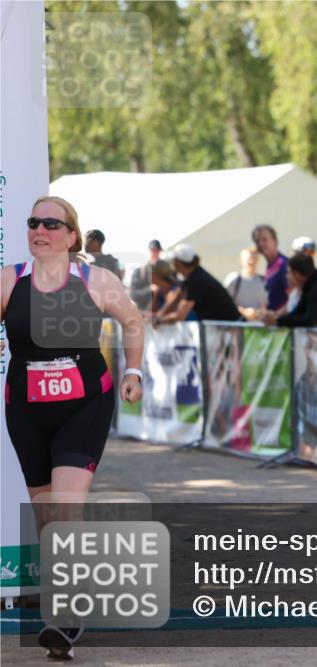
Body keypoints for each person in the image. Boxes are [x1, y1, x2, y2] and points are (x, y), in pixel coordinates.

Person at [0, 196, 144, 659]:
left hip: (84, 406)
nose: (39, 230)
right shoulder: (8, 282)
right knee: (46, 520)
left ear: (71, 235)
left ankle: (66, 613)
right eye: (33, 223)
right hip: (27, 410)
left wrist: (133, 372)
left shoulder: (95, 280)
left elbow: (133, 321)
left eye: (50, 223)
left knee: (66, 505)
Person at [156, 244, 241, 324]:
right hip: (225, 329)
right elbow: (176, 297)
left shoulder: (196, 280)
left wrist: (159, 321)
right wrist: (159, 315)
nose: (172, 264)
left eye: (174, 261)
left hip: (231, 330)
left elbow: (180, 315)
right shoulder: (193, 276)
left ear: (179, 263)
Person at [252, 224, 289, 311]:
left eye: (265, 239)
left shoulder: (285, 265)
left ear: (275, 241)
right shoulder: (268, 266)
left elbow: (294, 298)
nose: (261, 243)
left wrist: (276, 316)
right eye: (257, 241)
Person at [224, 247, 268, 320]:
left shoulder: (263, 281)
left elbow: (264, 303)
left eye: (254, 258)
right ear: (241, 260)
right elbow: (225, 302)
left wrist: (260, 311)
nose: (252, 261)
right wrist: (244, 311)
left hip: (257, 325)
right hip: (237, 324)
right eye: (249, 259)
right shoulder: (233, 279)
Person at [127, 239, 162, 310]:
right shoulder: (139, 272)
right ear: (149, 251)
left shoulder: (166, 270)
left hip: (162, 313)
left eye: (157, 250)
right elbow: (133, 295)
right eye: (153, 250)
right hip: (145, 315)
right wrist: (150, 289)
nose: (155, 253)